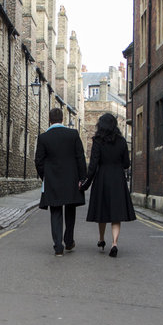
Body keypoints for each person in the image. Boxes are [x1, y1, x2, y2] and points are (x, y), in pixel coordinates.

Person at [34, 107, 87, 256]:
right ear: (63, 119)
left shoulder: (44, 138)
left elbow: (39, 161)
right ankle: (69, 241)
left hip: (53, 180)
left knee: (55, 212)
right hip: (71, 180)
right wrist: (82, 178)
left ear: (49, 120)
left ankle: (58, 247)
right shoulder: (73, 134)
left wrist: (45, 176)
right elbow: (80, 158)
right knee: (70, 211)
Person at [82, 113, 136, 257]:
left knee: (102, 212)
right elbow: (126, 164)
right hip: (118, 179)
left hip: (102, 178)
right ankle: (114, 243)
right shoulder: (122, 141)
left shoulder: (98, 141)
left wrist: (86, 183)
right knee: (116, 214)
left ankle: (101, 239)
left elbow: (92, 165)